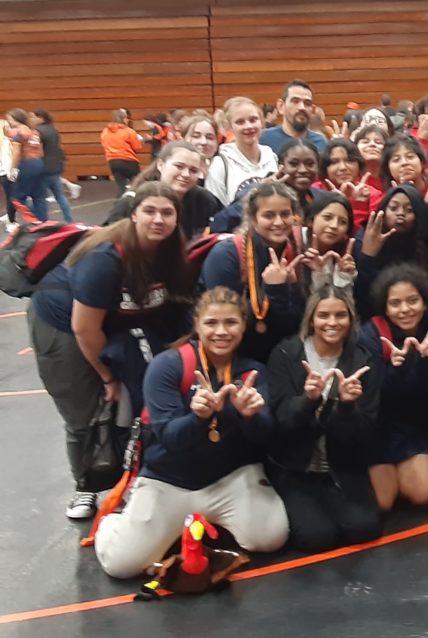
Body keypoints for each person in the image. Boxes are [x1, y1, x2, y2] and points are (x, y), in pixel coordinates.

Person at [94, 287, 288, 577]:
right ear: (197, 325)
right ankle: (119, 517)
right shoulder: (168, 366)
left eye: (231, 323)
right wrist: (198, 418)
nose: (221, 331)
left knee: (271, 538)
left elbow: (265, 437)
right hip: (169, 481)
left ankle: (208, 522)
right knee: (120, 565)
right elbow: (170, 438)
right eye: (211, 323)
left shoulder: (252, 372)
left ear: (243, 325)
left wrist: (251, 418)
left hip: (229, 478)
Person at [28, 182, 193, 519]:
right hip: (64, 325)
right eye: (150, 211)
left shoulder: (170, 252)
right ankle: (86, 486)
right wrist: (107, 376)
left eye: (167, 212)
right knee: (85, 410)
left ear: (177, 219)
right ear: (134, 214)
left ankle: (137, 478)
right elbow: (83, 328)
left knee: (138, 398)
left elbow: (171, 304)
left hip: (113, 321)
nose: (158, 219)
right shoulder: (105, 258)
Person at [267, 286, 383, 552]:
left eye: (340, 315)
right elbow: (282, 424)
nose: (332, 323)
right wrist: (308, 401)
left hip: (342, 465)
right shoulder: (285, 354)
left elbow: (365, 433)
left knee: (364, 529)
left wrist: (347, 407)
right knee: (316, 537)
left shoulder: (363, 360)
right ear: (311, 319)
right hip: (295, 466)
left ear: (351, 319)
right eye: (323, 315)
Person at [360, 265, 428, 509]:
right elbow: (376, 394)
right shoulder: (371, 334)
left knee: (423, 495)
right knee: (383, 503)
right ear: (385, 307)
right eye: (395, 303)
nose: (405, 309)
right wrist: (396, 367)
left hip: (416, 428)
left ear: (425, 302)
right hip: (380, 430)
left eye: (412, 301)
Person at [200, 182, 307, 363]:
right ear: (253, 218)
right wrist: (273, 289)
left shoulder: (296, 251)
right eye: (269, 215)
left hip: (279, 354)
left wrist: (293, 289)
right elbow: (223, 319)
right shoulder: (226, 255)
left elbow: (294, 322)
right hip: (235, 355)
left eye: (285, 214)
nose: (279, 222)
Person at [104, 141, 221, 240]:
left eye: (193, 170)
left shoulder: (204, 200)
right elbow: (108, 244)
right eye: (179, 166)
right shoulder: (131, 202)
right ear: (161, 165)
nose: (186, 174)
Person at [206, 96, 278, 207]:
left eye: (253, 120)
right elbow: (216, 212)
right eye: (240, 122)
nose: (248, 126)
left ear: (262, 122)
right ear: (230, 127)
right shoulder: (221, 164)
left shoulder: (272, 157)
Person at [313, 138, 377, 230]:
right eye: (335, 162)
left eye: (349, 161)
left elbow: (362, 237)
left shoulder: (374, 196)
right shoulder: (315, 192)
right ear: (325, 168)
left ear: (359, 165)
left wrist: (359, 204)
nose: (343, 167)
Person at [260, 79, 328, 155]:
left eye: (307, 103)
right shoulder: (263, 139)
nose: (302, 107)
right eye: (295, 101)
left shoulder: (321, 142)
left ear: (312, 110)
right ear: (281, 106)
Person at [32, 109, 74, 223]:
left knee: (40, 197)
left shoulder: (37, 132)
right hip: (56, 166)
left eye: (33, 117)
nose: (31, 119)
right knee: (60, 196)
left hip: (44, 167)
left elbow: (38, 150)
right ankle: (69, 220)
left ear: (40, 118)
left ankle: (43, 221)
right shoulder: (54, 129)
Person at [6, 108, 48, 221]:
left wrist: (13, 170)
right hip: (38, 163)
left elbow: (17, 152)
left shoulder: (18, 133)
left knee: (17, 198)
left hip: (26, 164)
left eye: (10, 119)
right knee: (39, 196)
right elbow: (41, 151)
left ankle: (34, 220)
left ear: (16, 119)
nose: (9, 122)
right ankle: (43, 222)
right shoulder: (34, 132)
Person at [100, 109, 143, 197]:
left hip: (113, 161)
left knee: (121, 186)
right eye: (126, 118)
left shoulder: (105, 131)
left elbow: (104, 144)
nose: (128, 120)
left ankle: (120, 204)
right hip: (128, 160)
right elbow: (137, 148)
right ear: (123, 119)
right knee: (137, 184)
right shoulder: (129, 131)